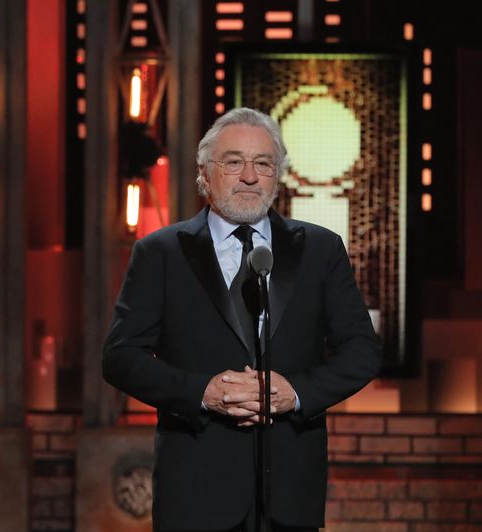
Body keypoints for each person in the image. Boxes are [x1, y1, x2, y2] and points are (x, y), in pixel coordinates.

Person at [102, 107, 382, 532]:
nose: (250, 176)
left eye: (263, 163)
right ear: (205, 172)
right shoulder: (160, 253)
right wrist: (203, 392)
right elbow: (121, 357)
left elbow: (362, 351)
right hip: (195, 491)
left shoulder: (321, 250)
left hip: (289, 494)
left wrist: (296, 392)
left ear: (277, 174)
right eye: (234, 161)